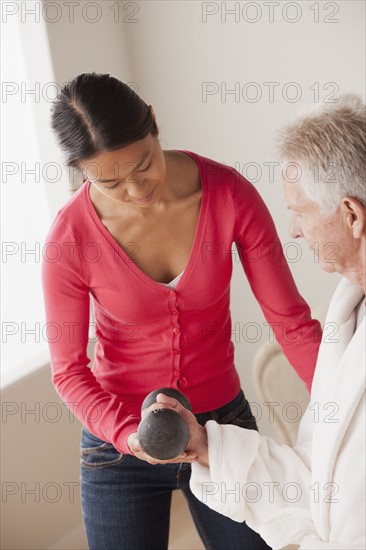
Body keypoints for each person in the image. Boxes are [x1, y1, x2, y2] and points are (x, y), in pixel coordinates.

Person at [42, 72, 322, 550]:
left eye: (143, 166)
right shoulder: (69, 239)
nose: (135, 190)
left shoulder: (229, 194)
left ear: (153, 121)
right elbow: (68, 372)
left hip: (224, 430)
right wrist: (128, 436)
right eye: (110, 182)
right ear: (81, 172)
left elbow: (292, 324)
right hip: (120, 443)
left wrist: (350, 409)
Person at [153, 94, 366, 549]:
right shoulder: (349, 317)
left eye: (301, 211)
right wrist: (208, 447)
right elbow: (318, 479)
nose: (292, 229)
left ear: (351, 215)